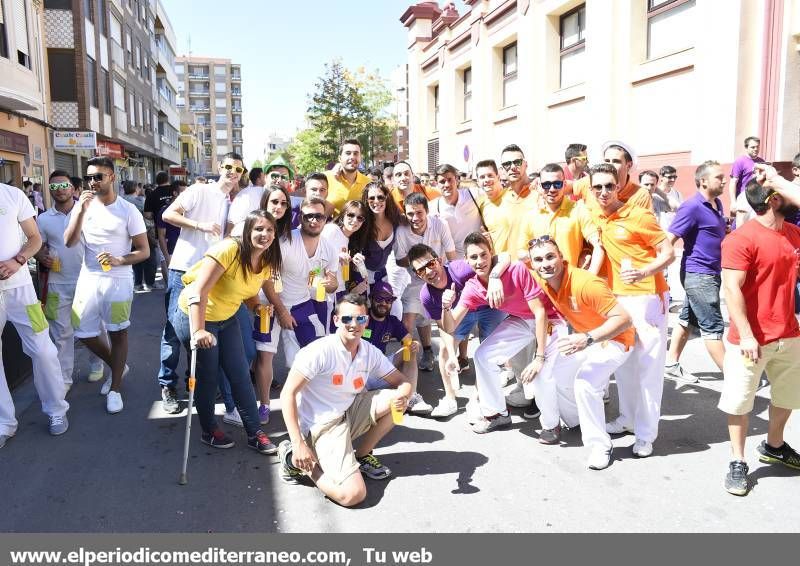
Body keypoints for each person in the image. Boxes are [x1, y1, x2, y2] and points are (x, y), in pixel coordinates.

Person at [278, 293, 414, 507]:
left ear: (366, 320)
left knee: (399, 400)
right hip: (321, 426)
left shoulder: (369, 351)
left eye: (360, 319)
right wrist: (298, 444)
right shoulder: (318, 351)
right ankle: (298, 461)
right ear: (335, 321)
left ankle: (361, 455)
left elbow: (402, 381)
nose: (354, 324)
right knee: (353, 495)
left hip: (348, 412)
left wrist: (403, 395)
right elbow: (287, 394)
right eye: (346, 319)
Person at [718, 168, 800, 496]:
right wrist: (747, 334)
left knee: (788, 396)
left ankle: (774, 446)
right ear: (774, 200)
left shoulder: (793, 233)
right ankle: (737, 461)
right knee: (740, 402)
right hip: (750, 340)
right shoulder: (741, 239)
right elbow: (731, 288)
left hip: (789, 334)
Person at [172, 210, 280, 455]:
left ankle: (254, 432)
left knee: (240, 372)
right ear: (247, 231)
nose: (264, 235)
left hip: (226, 316)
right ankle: (209, 429)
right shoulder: (227, 250)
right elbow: (198, 291)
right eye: (259, 229)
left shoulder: (267, 258)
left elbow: (247, 289)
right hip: (196, 315)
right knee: (208, 376)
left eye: (270, 230)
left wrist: (258, 306)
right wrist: (198, 330)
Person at [588, 163, 674, 458]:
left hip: (649, 298)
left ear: (618, 187)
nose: (603, 192)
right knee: (623, 363)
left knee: (649, 368)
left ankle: (646, 434)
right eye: (597, 186)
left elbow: (668, 252)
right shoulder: (599, 217)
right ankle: (626, 419)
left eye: (609, 186)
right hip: (618, 300)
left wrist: (644, 272)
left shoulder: (639, 214)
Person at [528, 237, 635, 464]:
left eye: (550, 257)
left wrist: (586, 339)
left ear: (561, 258)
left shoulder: (586, 283)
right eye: (538, 260)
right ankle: (578, 419)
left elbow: (624, 319)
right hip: (585, 339)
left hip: (615, 340)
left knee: (585, 383)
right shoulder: (542, 280)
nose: (545, 264)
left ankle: (600, 446)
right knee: (555, 372)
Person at [441, 232, 559, 434]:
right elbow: (450, 327)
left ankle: (552, 426)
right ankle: (496, 414)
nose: (480, 261)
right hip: (521, 321)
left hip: (551, 320)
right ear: (466, 260)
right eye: (474, 257)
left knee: (542, 374)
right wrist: (445, 307)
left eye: (483, 255)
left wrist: (539, 356)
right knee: (482, 356)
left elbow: (540, 313)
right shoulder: (472, 287)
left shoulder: (515, 270)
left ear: (491, 253)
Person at [157, 153, 244, 414]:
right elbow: (167, 215)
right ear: (220, 167)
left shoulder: (233, 201)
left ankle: (193, 382)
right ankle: (167, 384)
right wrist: (200, 225)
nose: (232, 172)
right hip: (184, 269)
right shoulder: (199, 190)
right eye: (228, 166)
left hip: (211, 272)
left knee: (202, 329)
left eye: (237, 169)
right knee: (175, 328)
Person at [64, 156, 150, 414]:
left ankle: (115, 388)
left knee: (118, 332)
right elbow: (69, 242)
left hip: (118, 278)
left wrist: (120, 259)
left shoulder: (127, 210)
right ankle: (117, 365)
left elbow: (144, 250)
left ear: (112, 177)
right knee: (82, 331)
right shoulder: (83, 207)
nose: (93, 182)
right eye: (89, 177)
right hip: (89, 277)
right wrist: (78, 211)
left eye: (98, 176)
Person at [0, 181, 70, 448]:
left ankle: (56, 411)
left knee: (43, 350)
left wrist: (17, 261)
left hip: (21, 291)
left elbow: (35, 239)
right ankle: (4, 422)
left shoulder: (13, 195)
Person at [409, 243, 508, 417]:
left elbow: (503, 257)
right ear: (417, 275)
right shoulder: (426, 295)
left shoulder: (460, 269)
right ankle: (449, 399)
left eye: (430, 264)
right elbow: (445, 329)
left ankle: (479, 397)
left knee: (488, 351)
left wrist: (494, 277)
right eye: (421, 270)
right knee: (445, 352)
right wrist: (453, 355)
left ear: (439, 261)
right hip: (459, 314)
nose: (428, 272)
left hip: (488, 306)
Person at [35, 170, 104, 390]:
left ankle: (97, 363)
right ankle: (64, 379)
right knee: (61, 334)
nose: (60, 190)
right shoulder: (44, 219)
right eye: (54, 187)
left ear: (73, 189)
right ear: (49, 190)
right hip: (57, 284)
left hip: (88, 280)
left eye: (63, 186)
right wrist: (40, 256)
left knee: (94, 327)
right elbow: (37, 244)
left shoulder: (89, 211)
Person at [664, 161, 727, 381]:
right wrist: (655, 268)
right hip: (699, 274)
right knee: (712, 327)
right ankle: (735, 382)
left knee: (688, 318)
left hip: (711, 272)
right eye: (719, 177)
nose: (725, 180)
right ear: (703, 181)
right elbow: (669, 239)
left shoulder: (717, 204)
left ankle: (671, 362)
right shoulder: (691, 207)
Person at [263, 198, 338, 364]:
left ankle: (300, 386)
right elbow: (266, 280)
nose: (314, 220)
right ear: (300, 218)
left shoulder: (329, 249)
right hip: (271, 304)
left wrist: (332, 285)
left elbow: (332, 284)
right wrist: (282, 311)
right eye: (308, 216)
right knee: (263, 355)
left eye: (319, 216)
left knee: (316, 349)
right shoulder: (285, 243)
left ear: (326, 219)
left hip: (302, 303)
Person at [394, 192, 458, 372]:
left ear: (427, 211)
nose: (415, 218)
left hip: (439, 280)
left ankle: (445, 355)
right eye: (410, 214)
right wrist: (419, 262)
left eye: (419, 213)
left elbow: (452, 256)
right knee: (408, 320)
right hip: (414, 281)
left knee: (440, 322)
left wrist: (451, 279)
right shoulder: (401, 231)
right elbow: (399, 260)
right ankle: (407, 358)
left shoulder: (440, 224)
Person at [517, 163, 604, 273]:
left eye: (557, 184)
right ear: (540, 185)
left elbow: (598, 245)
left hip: (571, 283)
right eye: (547, 185)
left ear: (564, 184)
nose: (552, 189)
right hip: (541, 285)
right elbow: (520, 253)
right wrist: (540, 256)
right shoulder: (530, 215)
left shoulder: (578, 209)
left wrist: (590, 278)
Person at [429, 163, 484, 257]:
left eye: (450, 180)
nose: (447, 184)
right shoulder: (433, 207)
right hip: (456, 262)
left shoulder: (474, 194)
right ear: (436, 183)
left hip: (480, 255)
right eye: (442, 181)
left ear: (457, 180)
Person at [325, 139, 372, 215]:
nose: (352, 157)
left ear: (360, 158)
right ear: (340, 158)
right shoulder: (326, 179)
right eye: (348, 153)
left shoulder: (368, 184)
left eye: (356, 154)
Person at [727, 136, 764, 217]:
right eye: (753, 147)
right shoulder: (740, 161)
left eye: (757, 147)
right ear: (746, 147)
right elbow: (733, 182)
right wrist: (733, 202)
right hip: (743, 199)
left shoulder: (762, 162)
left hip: (757, 200)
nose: (756, 149)